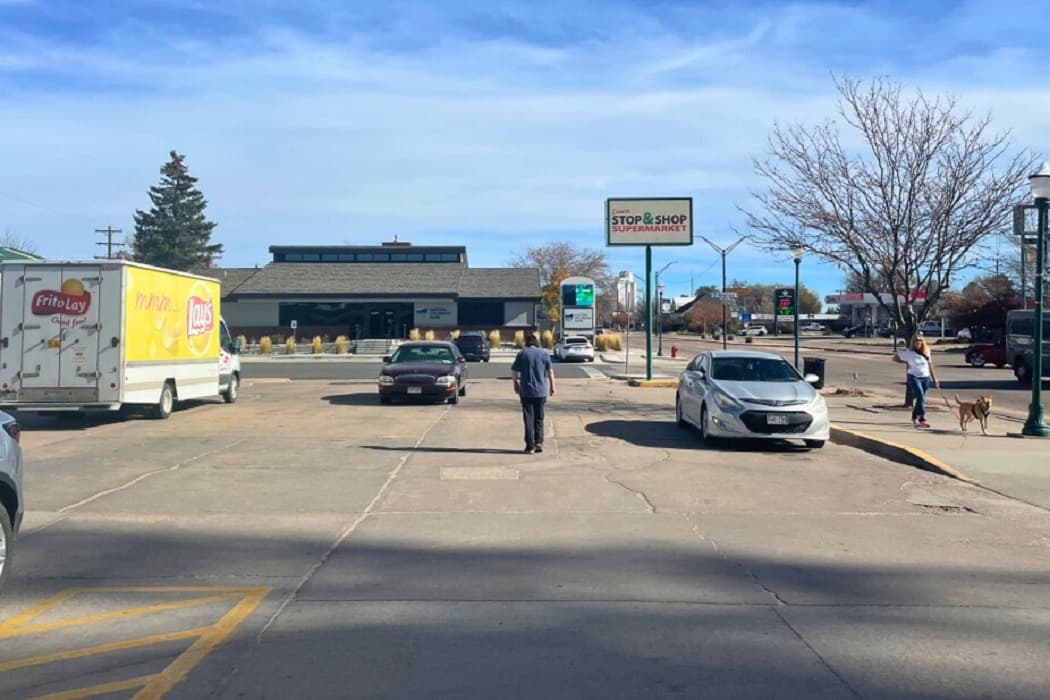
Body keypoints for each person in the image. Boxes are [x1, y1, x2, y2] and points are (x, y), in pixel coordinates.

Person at [511, 333, 556, 454]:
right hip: (541, 391)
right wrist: (552, 386)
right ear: (536, 343)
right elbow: (550, 372)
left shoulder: (522, 354)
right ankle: (539, 442)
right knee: (539, 418)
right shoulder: (544, 353)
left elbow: (514, 371)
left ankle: (529, 445)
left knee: (528, 418)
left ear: (527, 343)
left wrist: (515, 383)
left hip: (526, 391)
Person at [893, 333, 939, 428]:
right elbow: (895, 358)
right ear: (913, 342)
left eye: (920, 340)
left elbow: (930, 365)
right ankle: (922, 418)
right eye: (916, 340)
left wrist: (935, 378)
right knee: (920, 396)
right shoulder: (909, 352)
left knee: (920, 399)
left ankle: (915, 417)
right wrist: (906, 361)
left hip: (926, 378)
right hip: (914, 377)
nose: (918, 342)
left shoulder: (927, 351)